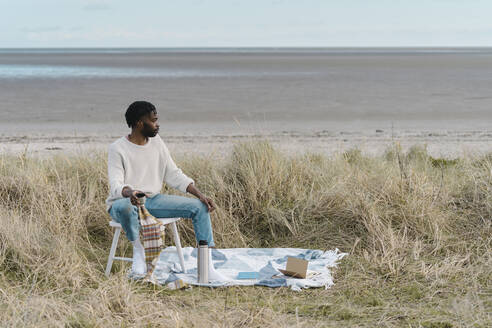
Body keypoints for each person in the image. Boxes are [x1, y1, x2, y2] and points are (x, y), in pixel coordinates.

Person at [106, 100, 228, 281]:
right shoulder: (117, 148)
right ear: (140, 123)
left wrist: (200, 195)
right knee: (126, 207)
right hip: (123, 202)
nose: (157, 125)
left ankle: (207, 267)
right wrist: (130, 193)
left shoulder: (157, 143)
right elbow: (115, 184)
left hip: (153, 200)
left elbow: (173, 174)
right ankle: (138, 251)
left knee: (199, 207)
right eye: (154, 121)